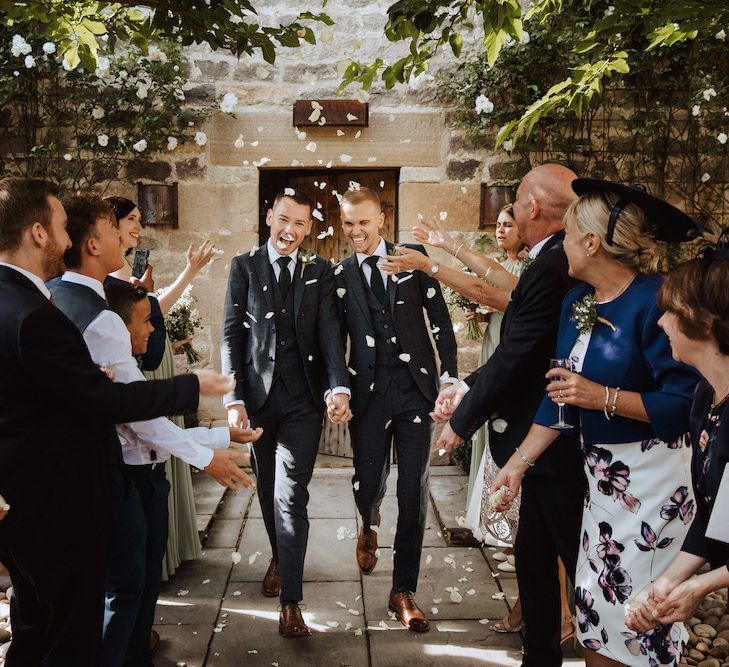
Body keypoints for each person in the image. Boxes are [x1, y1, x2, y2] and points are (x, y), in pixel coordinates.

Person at [0, 177, 234, 665]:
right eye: (62, 229)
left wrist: (78, 378)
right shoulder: (37, 313)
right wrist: (193, 386)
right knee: (74, 634)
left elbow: (38, 389)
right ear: (39, 233)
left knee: (35, 629)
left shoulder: (25, 300)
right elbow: (108, 402)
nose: (66, 243)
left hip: (22, 498)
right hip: (60, 501)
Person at [491, 178, 700, 666]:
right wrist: (517, 466)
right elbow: (560, 396)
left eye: (565, 233)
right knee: (591, 615)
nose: (558, 243)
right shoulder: (576, 302)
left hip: (654, 485)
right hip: (601, 485)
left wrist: (601, 397)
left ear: (592, 242)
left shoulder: (657, 301)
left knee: (639, 620)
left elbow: (682, 406)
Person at [48, 192, 258, 666]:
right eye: (111, 226)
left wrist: (218, 438)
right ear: (92, 243)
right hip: (117, 471)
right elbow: (133, 411)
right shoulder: (100, 318)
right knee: (124, 588)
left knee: (123, 586)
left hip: (94, 469)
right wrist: (207, 453)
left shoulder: (59, 299)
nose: (126, 234)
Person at [421, 163, 584, 665]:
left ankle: (576, 635)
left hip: (556, 443)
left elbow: (518, 356)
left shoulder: (553, 265)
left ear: (531, 208)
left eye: (514, 201)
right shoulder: (551, 261)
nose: (509, 210)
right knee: (534, 555)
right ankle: (540, 649)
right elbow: (519, 346)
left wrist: (461, 419)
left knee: (571, 559)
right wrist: (467, 388)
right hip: (539, 445)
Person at [221, 189, 351, 638]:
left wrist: (338, 386)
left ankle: (291, 601)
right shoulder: (244, 266)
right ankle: (280, 555)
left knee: (291, 494)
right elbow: (230, 336)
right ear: (268, 217)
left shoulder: (320, 270)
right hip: (257, 401)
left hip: (303, 402)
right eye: (282, 220)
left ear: (309, 228)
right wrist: (233, 399)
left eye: (299, 224)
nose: (289, 231)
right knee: (269, 490)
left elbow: (331, 333)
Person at [336, 186, 458, 633]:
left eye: (363, 222)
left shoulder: (414, 257)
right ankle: (367, 522)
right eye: (348, 223)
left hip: (414, 392)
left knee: (413, 490)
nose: (355, 231)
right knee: (368, 483)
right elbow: (334, 338)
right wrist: (336, 387)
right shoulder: (341, 274)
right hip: (367, 393)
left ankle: (402, 590)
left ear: (381, 220)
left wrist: (449, 375)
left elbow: (439, 320)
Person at [105, 195, 217, 582]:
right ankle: (149, 566)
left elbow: (153, 312)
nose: (139, 226)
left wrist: (189, 273)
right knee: (148, 454)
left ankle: (162, 557)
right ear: (109, 225)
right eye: (131, 219)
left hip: (153, 366)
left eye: (140, 219)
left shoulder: (136, 264)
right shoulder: (106, 274)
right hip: (137, 375)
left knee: (159, 461)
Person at [626, 245, 729, 646]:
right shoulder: (705, 395)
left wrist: (701, 587)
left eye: (672, 311)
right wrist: (666, 584)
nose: (662, 322)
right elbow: (717, 515)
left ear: (703, 322)